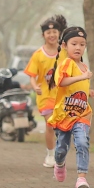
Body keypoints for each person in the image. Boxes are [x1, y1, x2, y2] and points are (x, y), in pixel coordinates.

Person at [48, 26, 93, 188]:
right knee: (61, 149)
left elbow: (80, 87)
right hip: (63, 115)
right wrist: (82, 77)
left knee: (82, 143)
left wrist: (90, 90)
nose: (78, 47)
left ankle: (81, 178)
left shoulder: (84, 66)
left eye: (82, 44)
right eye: (74, 43)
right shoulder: (65, 63)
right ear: (65, 46)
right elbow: (62, 82)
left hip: (82, 114)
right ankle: (59, 163)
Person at [25, 15, 66, 168]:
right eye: (48, 33)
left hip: (63, 96)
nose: (52, 35)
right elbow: (32, 75)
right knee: (50, 125)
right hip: (45, 96)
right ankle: (50, 154)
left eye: (55, 32)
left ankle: (59, 153)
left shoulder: (65, 51)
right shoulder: (38, 54)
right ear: (43, 35)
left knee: (62, 127)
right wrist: (35, 85)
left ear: (59, 33)